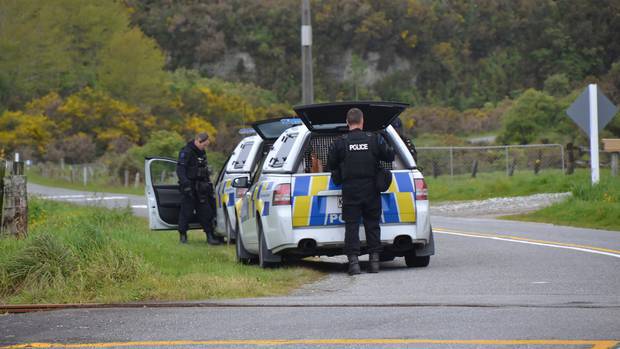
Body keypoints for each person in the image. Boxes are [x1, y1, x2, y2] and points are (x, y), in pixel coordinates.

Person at [327, 108, 395, 275]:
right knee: (372, 225)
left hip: (350, 190)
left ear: (347, 122)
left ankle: (354, 264)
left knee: (351, 226)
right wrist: (386, 138)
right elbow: (390, 156)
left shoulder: (339, 142)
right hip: (371, 189)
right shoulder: (374, 139)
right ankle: (374, 263)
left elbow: (331, 165)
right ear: (362, 121)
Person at [176, 132, 221, 245]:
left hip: (201, 187)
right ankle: (183, 236)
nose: (204, 147)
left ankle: (210, 236)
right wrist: (186, 185)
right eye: (204, 145)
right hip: (189, 187)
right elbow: (180, 170)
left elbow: (203, 169)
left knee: (206, 212)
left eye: (206, 145)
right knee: (186, 212)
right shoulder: (186, 152)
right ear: (198, 140)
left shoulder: (201, 152)